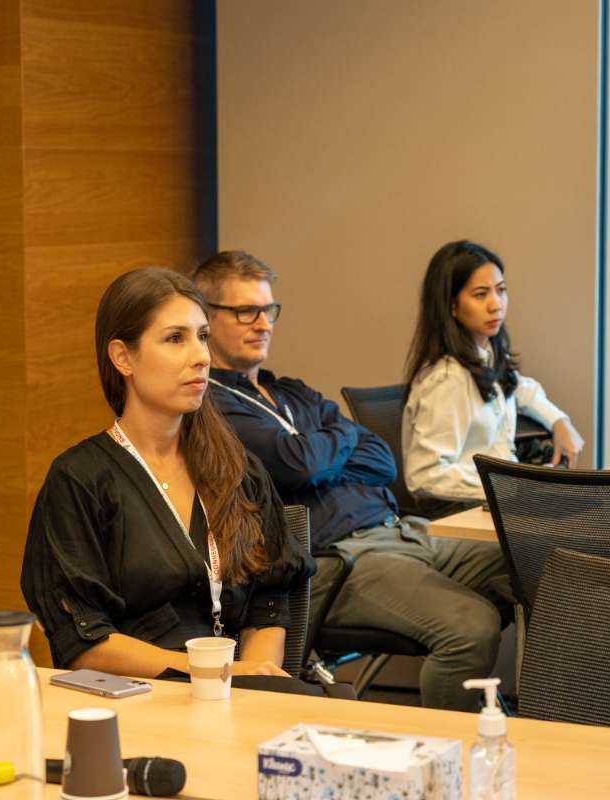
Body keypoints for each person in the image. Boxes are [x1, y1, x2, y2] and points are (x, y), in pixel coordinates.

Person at [191, 250, 514, 712]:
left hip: (402, 530)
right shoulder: (214, 406)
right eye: (246, 311)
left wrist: (317, 450)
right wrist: (333, 440)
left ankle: (568, 718)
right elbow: (297, 465)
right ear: (207, 319)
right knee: (471, 626)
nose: (263, 324)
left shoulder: (291, 391)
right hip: (340, 559)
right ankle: (459, 750)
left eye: (269, 310)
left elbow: (381, 460)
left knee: (536, 562)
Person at [21, 267, 314, 680]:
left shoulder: (236, 468)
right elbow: (83, 644)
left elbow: (269, 606)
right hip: (141, 695)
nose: (201, 356)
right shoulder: (79, 480)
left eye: (203, 336)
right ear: (123, 357)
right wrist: (216, 673)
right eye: (176, 338)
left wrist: (248, 683)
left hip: (237, 692)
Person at [402, 240, 585, 503]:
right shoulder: (447, 379)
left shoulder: (487, 358)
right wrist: (510, 487)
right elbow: (425, 476)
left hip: (498, 501)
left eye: (501, 290)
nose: (496, 304)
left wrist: (559, 422)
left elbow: (521, 389)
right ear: (451, 305)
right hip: (463, 512)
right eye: (481, 294)